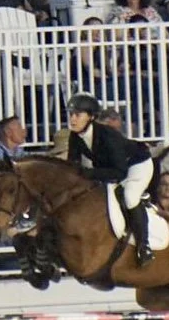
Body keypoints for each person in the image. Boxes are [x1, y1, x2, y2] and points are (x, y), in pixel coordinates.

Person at [65, 93, 155, 267]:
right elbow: (72, 165)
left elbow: (119, 172)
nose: (73, 119)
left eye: (77, 115)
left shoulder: (108, 135)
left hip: (136, 166)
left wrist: (89, 174)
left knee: (129, 196)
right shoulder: (75, 136)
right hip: (112, 168)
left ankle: (144, 247)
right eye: (71, 114)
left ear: (91, 117)